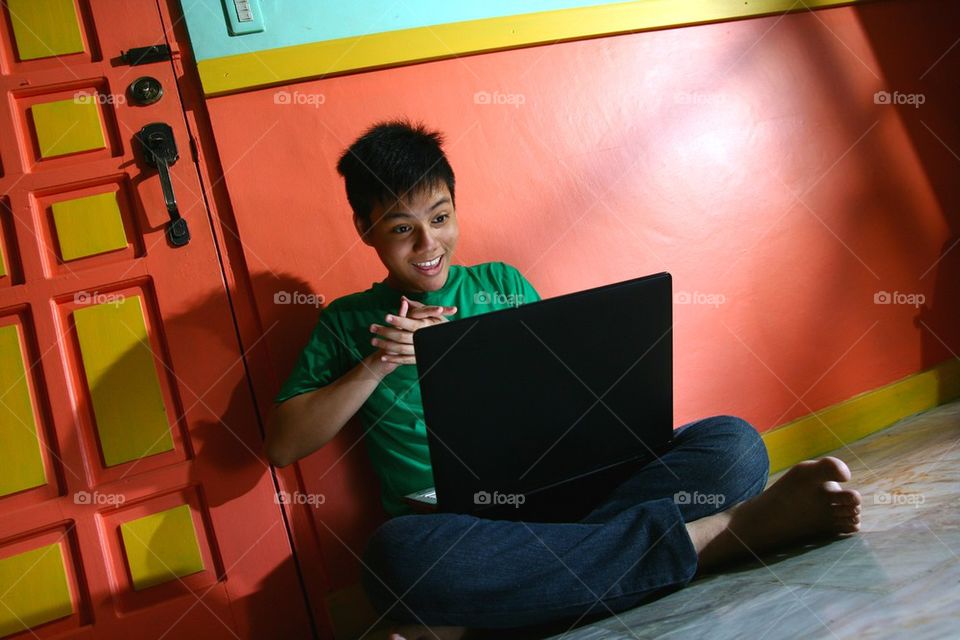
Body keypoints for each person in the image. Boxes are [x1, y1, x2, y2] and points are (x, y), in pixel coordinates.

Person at [265, 120, 862, 640]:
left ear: (455, 209)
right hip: (459, 524)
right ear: (364, 228)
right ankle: (722, 535)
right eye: (401, 229)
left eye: (441, 218)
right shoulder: (345, 323)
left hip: (564, 495)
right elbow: (282, 444)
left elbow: (565, 396)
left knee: (733, 445)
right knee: (395, 560)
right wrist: (379, 363)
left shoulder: (503, 284)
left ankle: (480, 619)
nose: (429, 245)